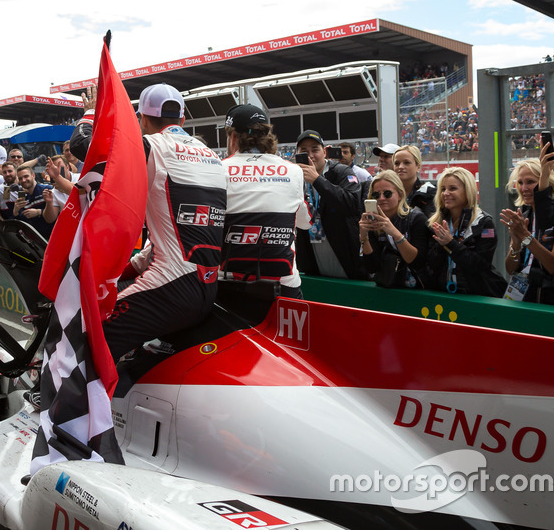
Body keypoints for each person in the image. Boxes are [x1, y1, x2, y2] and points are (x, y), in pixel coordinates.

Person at [70, 83, 227, 360]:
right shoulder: (212, 156)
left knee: (80, 337)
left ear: (141, 119)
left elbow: (85, 146)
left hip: (171, 287)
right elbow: (182, 228)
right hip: (208, 286)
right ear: (183, 119)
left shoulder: (152, 146)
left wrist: (90, 113)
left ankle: (55, 402)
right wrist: (133, 266)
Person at [220, 104, 310, 298]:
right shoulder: (293, 170)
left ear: (233, 137)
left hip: (229, 281)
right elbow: (306, 222)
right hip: (283, 284)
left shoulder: (220, 169)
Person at [425, 167, 507, 297]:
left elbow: (480, 266)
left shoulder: (483, 223)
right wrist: (442, 245)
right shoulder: (435, 222)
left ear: (467, 191)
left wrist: (451, 243)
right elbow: (431, 264)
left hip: (476, 296)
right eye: (443, 189)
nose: (446, 193)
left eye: (452, 188)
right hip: (443, 294)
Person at [295, 130, 365, 279]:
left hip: (344, 252)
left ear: (325, 152)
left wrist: (317, 180)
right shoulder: (295, 177)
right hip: (312, 253)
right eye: (304, 151)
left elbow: (352, 204)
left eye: (315, 150)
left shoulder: (342, 172)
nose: (310, 156)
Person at [500, 159, 554, 305]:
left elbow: (553, 266)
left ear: (546, 182)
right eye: (520, 182)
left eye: (530, 182)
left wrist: (525, 236)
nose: (524, 188)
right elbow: (510, 269)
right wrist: (516, 245)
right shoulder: (523, 216)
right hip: (523, 299)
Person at [359, 170, 429, 288]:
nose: (381, 198)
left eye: (387, 194)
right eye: (376, 195)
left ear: (400, 195)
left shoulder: (416, 218)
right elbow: (372, 267)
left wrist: (394, 233)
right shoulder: (372, 222)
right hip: (387, 288)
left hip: (416, 289)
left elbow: (417, 262)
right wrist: (363, 237)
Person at [11, 166, 57, 239]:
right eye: (20, 178)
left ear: (33, 175)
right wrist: (15, 213)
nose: (23, 180)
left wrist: (39, 212)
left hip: (54, 236)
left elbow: (59, 213)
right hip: (39, 241)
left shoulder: (47, 189)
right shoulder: (24, 198)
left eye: (26, 176)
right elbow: (24, 224)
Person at [392, 145, 436, 217]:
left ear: (418, 167)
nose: (400, 167)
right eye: (397, 163)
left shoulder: (429, 192)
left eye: (406, 162)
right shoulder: (386, 193)